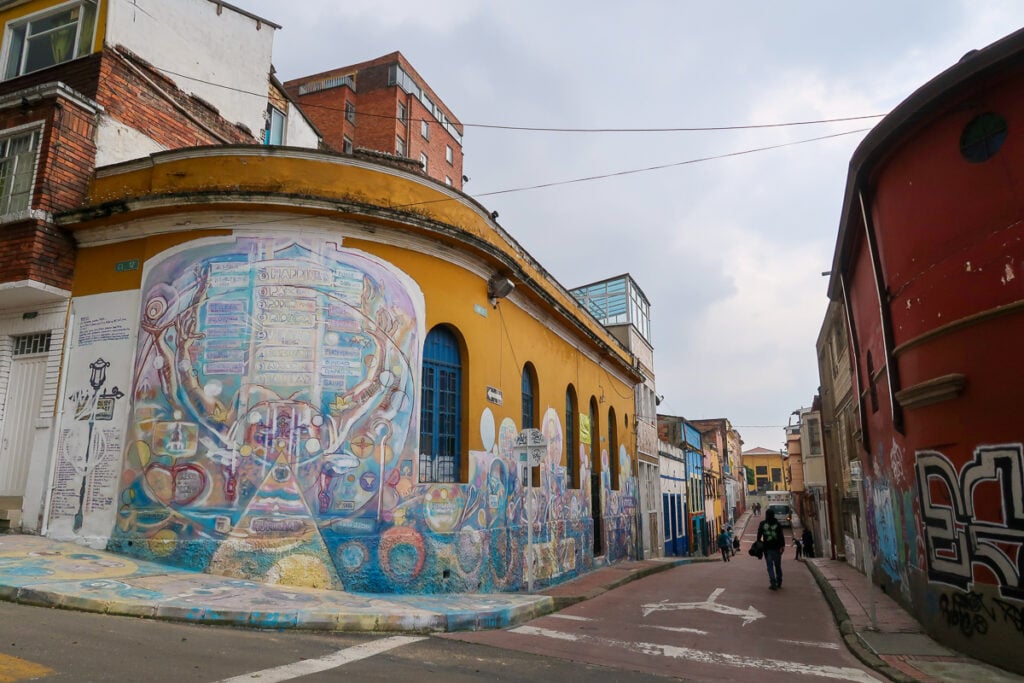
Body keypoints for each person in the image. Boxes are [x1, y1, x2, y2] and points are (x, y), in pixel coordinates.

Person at [756, 508, 786, 589]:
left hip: (767, 548)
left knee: (770, 566)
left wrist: (759, 543)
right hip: (777, 548)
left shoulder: (762, 524)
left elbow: (758, 536)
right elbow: (781, 536)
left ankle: (773, 582)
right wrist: (783, 546)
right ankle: (779, 581)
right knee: (778, 566)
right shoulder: (777, 524)